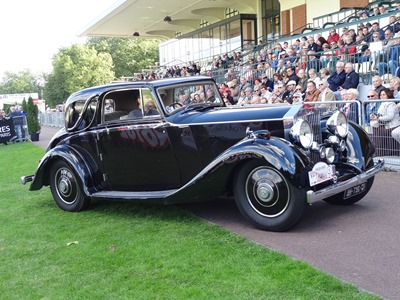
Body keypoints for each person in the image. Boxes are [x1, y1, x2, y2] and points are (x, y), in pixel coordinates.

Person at [370, 88, 400, 155]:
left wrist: (378, 118)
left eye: (384, 94)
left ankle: (385, 153)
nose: (381, 96)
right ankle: (380, 152)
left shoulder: (391, 104)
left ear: (388, 95)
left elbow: (389, 117)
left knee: (379, 132)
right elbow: (380, 115)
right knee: (376, 130)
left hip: (392, 126)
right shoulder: (382, 103)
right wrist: (375, 116)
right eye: (381, 95)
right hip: (385, 124)